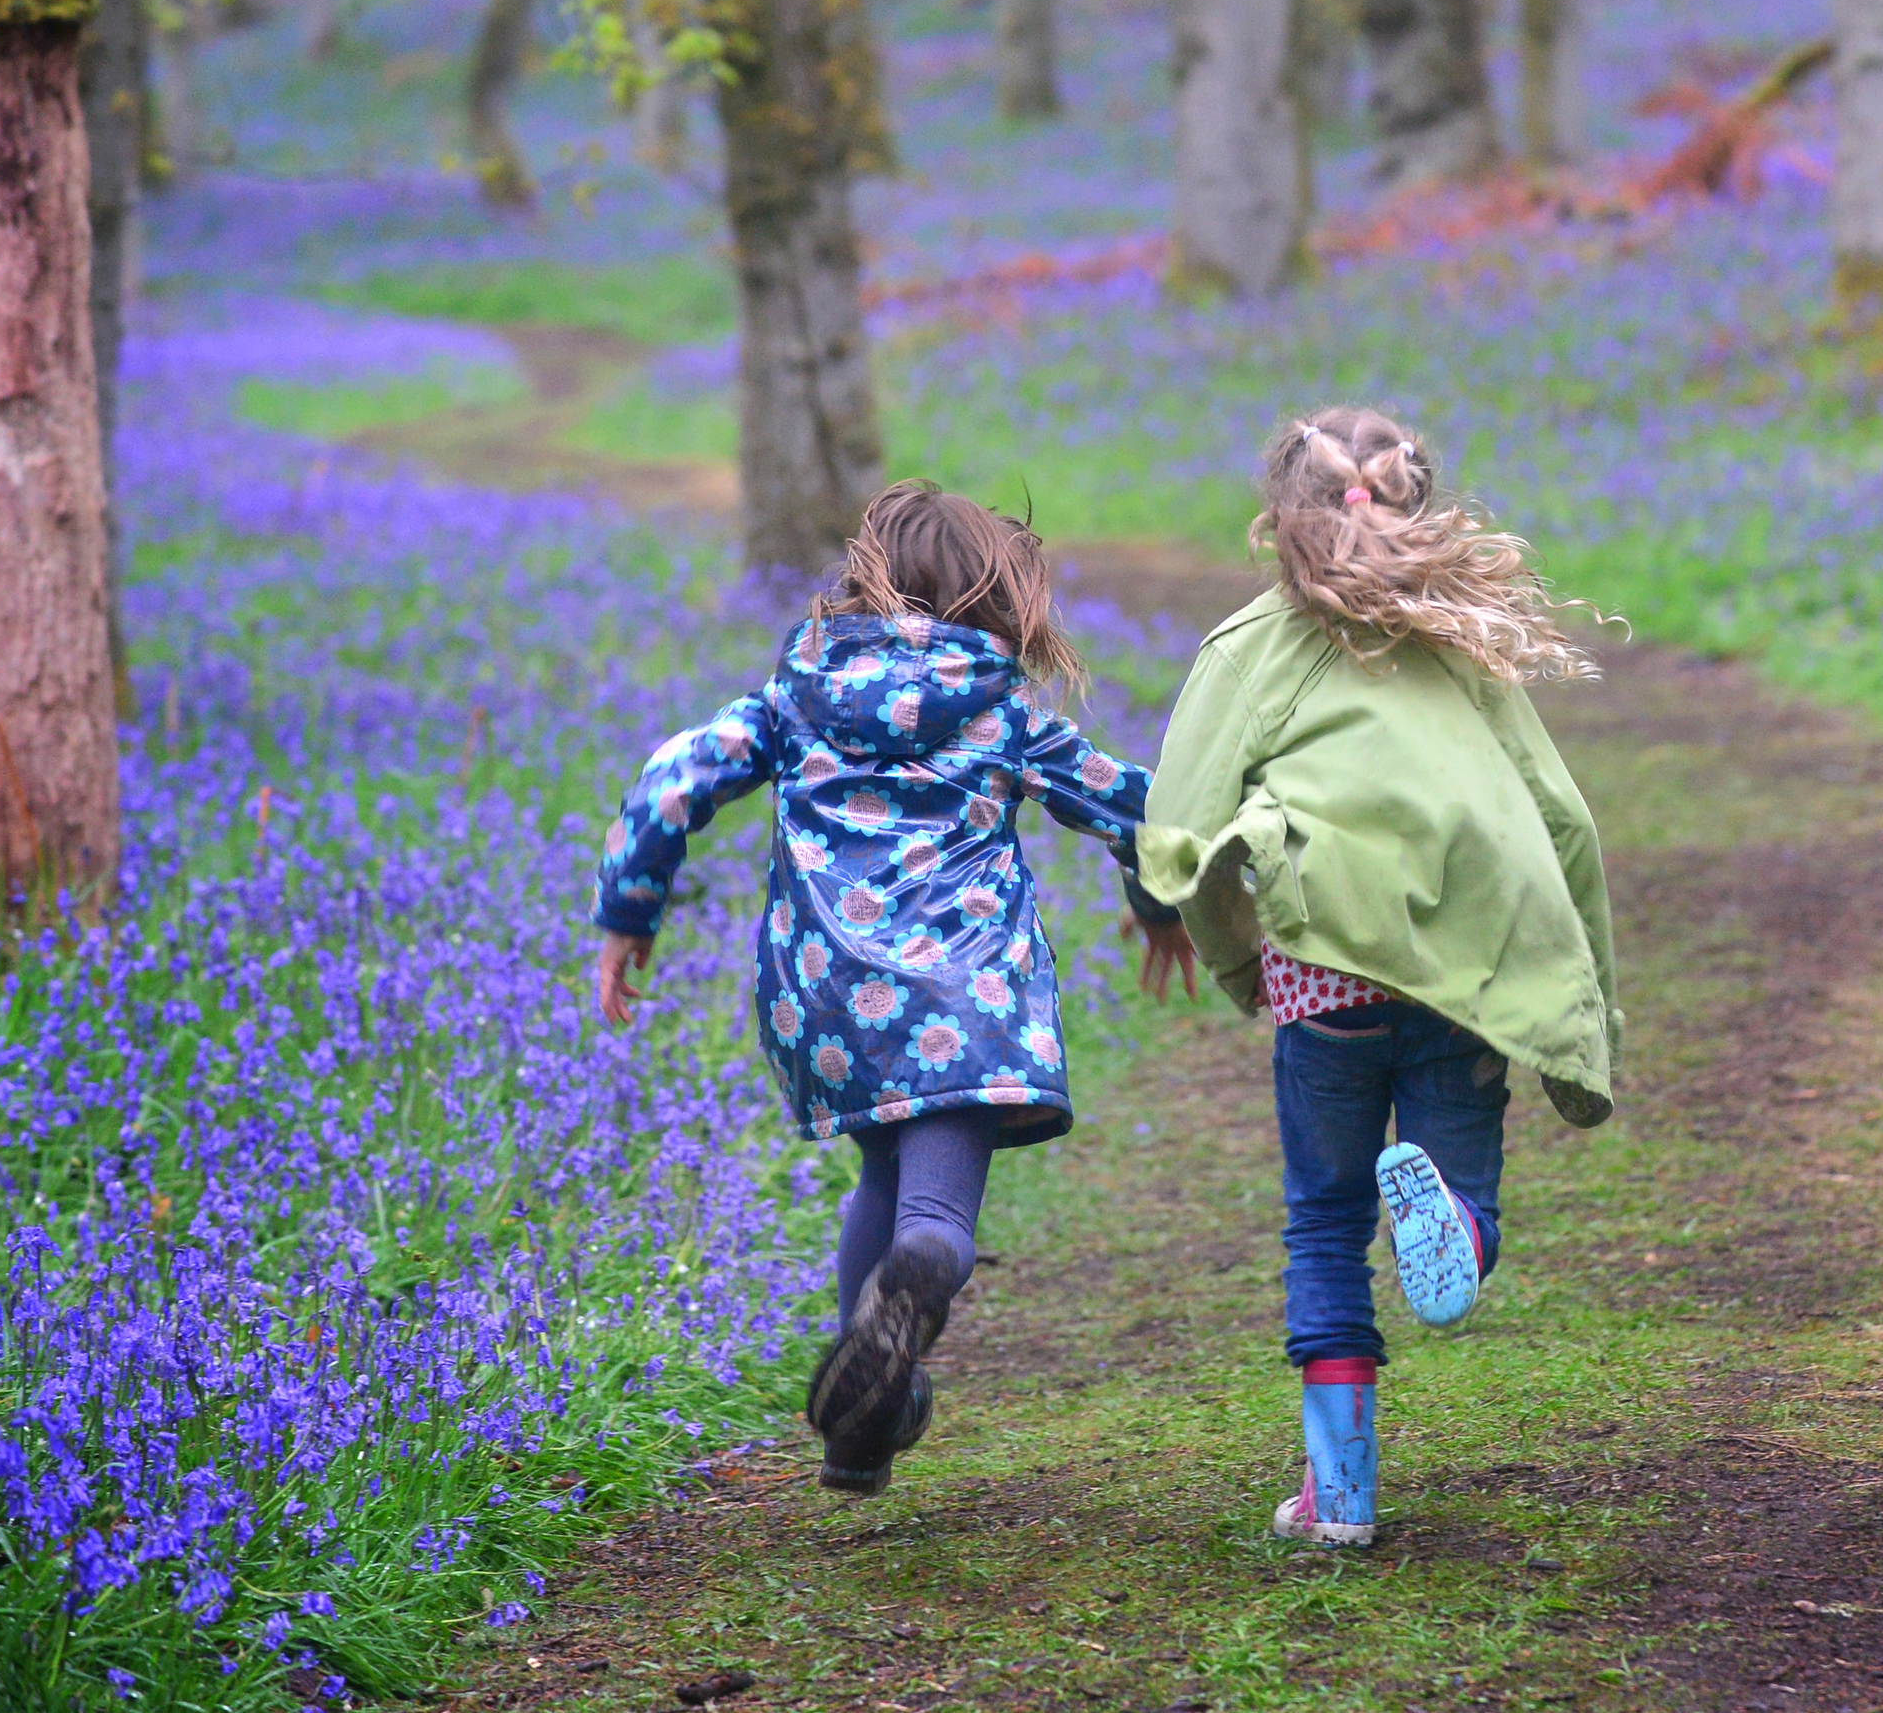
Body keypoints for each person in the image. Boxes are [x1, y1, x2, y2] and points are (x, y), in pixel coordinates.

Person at [590, 482, 1196, 1495]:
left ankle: (862, 1425)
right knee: (931, 1222)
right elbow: (1135, 805)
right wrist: (1161, 907)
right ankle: (917, 1275)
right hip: (968, 1000)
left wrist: (627, 911)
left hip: (829, 1002)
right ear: (993, 600)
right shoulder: (1003, 713)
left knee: (880, 1169)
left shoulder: (793, 698)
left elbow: (671, 778)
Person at [1134, 407, 1619, 1547]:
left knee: (1321, 1227)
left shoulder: (1244, 649)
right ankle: (1452, 1229)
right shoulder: (1464, 649)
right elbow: (1564, 821)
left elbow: (1181, 833)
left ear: (1277, 516)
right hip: (1466, 970)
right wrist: (1581, 1002)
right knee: (1458, 1191)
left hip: (1324, 973)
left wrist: (1235, 954)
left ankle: (1340, 1500)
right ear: (1413, 505)